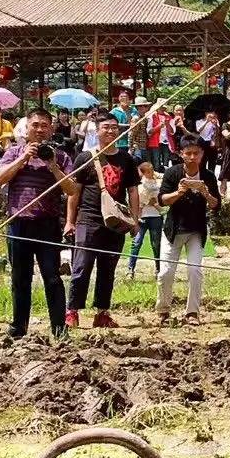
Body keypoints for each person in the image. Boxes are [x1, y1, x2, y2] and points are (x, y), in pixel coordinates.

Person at [0, 108, 78, 339]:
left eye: (44, 125)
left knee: (52, 278)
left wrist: (52, 166)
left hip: (47, 224)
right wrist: (23, 158)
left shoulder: (61, 157)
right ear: (27, 127)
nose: (40, 129)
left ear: (51, 128)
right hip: (19, 222)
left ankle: (59, 330)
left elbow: (71, 190)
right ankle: (18, 328)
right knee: (20, 278)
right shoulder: (13, 152)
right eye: (35, 125)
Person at [65, 112, 141, 328]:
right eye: (106, 127)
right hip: (88, 219)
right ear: (97, 131)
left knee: (108, 269)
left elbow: (133, 192)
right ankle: (72, 312)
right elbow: (74, 192)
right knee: (81, 267)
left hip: (115, 222)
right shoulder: (85, 157)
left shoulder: (127, 159)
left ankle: (102, 313)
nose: (111, 131)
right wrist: (70, 221)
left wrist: (135, 220)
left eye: (114, 127)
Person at [157, 134, 220, 324]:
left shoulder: (208, 176)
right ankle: (163, 310)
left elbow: (216, 205)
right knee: (166, 272)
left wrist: (205, 193)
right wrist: (179, 192)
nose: (193, 157)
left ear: (202, 154)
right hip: (173, 229)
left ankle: (192, 312)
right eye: (189, 153)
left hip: (196, 230)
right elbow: (162, 200)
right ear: (181, 154)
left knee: (195, 270)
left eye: (197, 153)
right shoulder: (172, 173)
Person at [128, 161, 162, 279]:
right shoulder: (139, 185)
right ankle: (130, 269)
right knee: (137, 242)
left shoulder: (158, 182)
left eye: (152, 170)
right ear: (143, 173)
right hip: (143, 217)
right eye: (148, 171)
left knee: (156, 244)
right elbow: (138, 201)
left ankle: (158, 269)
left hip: (156, 216)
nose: (151, 172)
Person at [146, 102, 170, 171]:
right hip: (155, 142)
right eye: (161, 107)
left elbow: (172, 131)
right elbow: (149, 132)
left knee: (166, 159)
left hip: (166, 142)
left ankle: (166, 175)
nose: (163, 109)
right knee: (156, 160)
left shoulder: (168, 116)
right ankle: (157, 174)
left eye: (164, 108)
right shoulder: (152, 116)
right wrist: (158, 127)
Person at [129, 97, 152, 163]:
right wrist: (130, 148)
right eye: (141, 106)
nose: (145, 108)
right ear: (138, 107)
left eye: (146, 106)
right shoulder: (136, 119)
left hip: (144, 146)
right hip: (137, 147)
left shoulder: (145, 118)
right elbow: (131, 134)